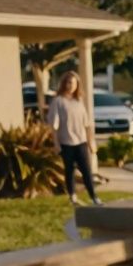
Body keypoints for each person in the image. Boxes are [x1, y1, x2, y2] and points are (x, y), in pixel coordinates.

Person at [46, 71, 102, 206]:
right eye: (69, 82)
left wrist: (91, 142)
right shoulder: (58, 101)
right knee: (69, 170)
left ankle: (94, 197)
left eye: (74, 83)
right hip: (66, 143)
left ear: (77, 85)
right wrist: (56, 143)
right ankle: (72, 196)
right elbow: (53, 126)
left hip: (81, 142)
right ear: (64, 83)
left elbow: (87, 124)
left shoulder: (79, 101)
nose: (71, 85)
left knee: (86, 171)